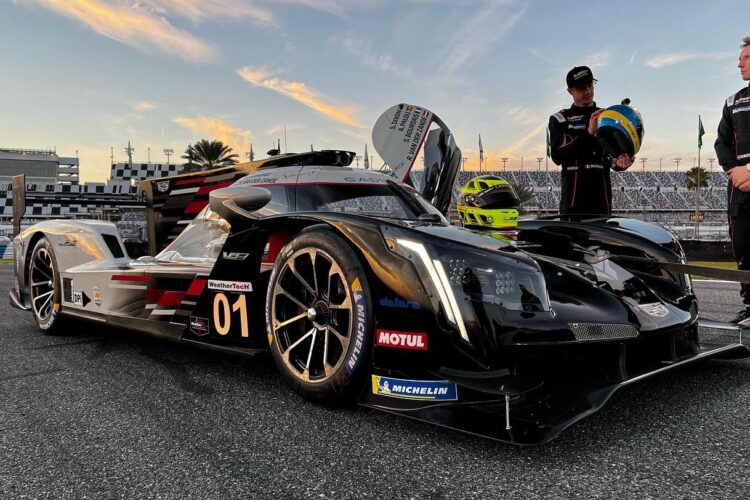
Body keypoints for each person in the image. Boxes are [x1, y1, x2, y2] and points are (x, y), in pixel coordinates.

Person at [548, 66, 634, 215]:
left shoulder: (607, 116)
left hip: (602, 196)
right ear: (570, 91)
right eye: (581, 88)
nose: (588, 91)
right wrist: (588, 134)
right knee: (571, 238)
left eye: (590, 85)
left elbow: (613, 159)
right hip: (573, 198)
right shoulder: (559, 119)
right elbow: (556, 157)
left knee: (602, 237)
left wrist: (621, 163)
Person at [715, 36, 750, 324]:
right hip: (738, 184)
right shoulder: (733, 101)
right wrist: (735, 171)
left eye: (746, 58)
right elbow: (721, 142)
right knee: (743, 244)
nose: (739, 63)